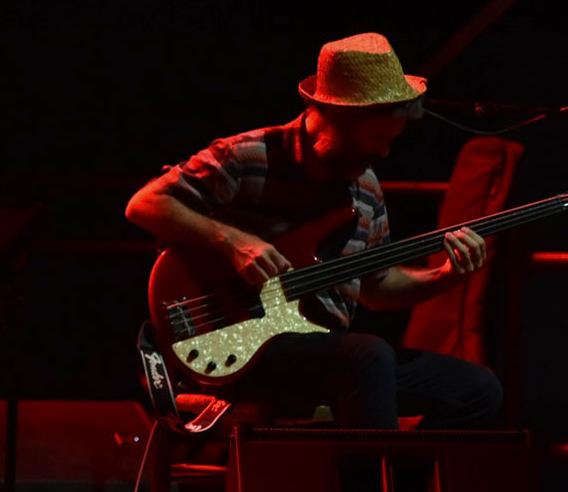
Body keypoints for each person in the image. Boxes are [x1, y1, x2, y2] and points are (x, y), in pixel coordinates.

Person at [125, 32, 502, 429]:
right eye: (378, 138)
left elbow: (376, 288)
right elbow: (144, 204)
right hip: (234, 345)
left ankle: (392, 469)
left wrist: (444, 277)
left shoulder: (366, 188)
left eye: (392, 140)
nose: (385, 153)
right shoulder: (247, 156)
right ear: (335, 118)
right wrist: (233, 241)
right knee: (368, 356)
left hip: (325, 352)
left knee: (477, 389)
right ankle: (369, 471)